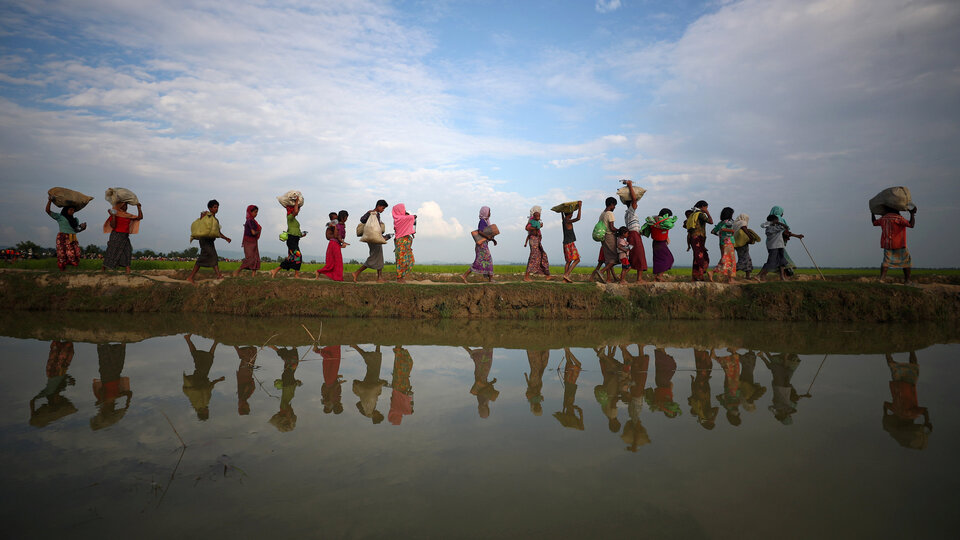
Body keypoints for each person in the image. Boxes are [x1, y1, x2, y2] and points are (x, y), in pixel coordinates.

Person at [882, 351, 932, 450]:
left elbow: (925, 410)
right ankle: (887, 351)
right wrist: (885, 414)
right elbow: (885, 404)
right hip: (898, 386)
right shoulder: (897, 411)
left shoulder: (911, 414)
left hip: (908, 386)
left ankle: (912, 349)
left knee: (913, 367)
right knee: (893, 367)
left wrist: (927, 422)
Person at [30, 341, 78, 428]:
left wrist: (33, 412)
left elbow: (32, 401)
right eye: (59, 399)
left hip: (52, 370)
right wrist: (70, 379)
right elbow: (63, 377)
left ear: (53, 400)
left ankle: (58, 341)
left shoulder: (49, 391)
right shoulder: (60, 389)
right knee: (66, 350)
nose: (59, 398)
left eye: (57, 400)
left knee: (57, 352)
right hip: (60, 368)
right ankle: (61, 341)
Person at [187, 200, 232, 283]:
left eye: (217, 207)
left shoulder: (215, 220)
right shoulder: (206, 216)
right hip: (204, 241)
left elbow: (218, 232)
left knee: (207, 258)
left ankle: (191, 277)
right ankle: (218, 275)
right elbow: (201, 225)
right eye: (215, 207)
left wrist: (226, 238)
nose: (216, 209)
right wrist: (202, 216)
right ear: (210, 208)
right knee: (212, 256)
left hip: (210, 241)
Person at [90, 343, 133, 431]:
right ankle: (112, 345)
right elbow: (129, 393)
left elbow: (129, 394)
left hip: (107, 376)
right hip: (115, 375)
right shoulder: (115, 396)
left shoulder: (103, 398)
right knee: (116, 361)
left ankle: (102, 344)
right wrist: (127, 404)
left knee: (106, 360)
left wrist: (127, 404)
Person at [182, 334, 225, 420]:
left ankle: (215, 342)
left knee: (205, 359)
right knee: (204, 359)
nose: (208, 411)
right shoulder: (202, 404)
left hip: (199, 378)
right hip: (202, 376)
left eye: (207, 413)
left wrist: (217, 381)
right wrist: (218, 380)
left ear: (204, 413)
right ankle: (215, 342)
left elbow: (203, 389)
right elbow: (209, 387)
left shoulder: (199, 403)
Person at [872, 205, 917, 285]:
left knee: (886, 261)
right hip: (899, 243)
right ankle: (907, 281)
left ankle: (882, 279)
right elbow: (911, 225)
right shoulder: (898, 218)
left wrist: (873, 213)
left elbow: (874, 223)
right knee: (906, 261)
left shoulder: (884, 218)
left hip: (887, 244)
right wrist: (912, 214)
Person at [756, 211, 804, 281]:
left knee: (782, 261)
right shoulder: (771, 228)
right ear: (773, 221)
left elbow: (786, 229)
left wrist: (776, 222)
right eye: (776, 220)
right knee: (771, 262)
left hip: (779, 246)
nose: (778, 221)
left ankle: (782, 277)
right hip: (774, 247)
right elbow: (785, 227)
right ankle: (758, 276)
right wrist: (777, 222)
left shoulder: (775, 227)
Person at [352, 200, 392, 282]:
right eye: (383, 208)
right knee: (374, 257)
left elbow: (375, 229)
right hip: (373, 239)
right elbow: (362, 220)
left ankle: (379, 277)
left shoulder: (377, 215)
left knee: (379, 257)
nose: (383, 210)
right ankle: (356, 273)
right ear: (378, 206)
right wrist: (368, 213)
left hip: (375, 238)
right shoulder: (372, 213)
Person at [45, 195, 86, 271]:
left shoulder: (75, 220)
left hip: (72, 238)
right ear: (66, 210)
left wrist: (82, 227)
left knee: (75, 253)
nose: (72, 211)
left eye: (73, 210)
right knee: (62, 254)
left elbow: (76, 230)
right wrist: (50, 201)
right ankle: (62, 270)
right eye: (70, 210)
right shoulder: (60, 217)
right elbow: (48, 211)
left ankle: (70, 268)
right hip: (62, 238)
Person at [102, 201, 143, 274]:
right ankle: (103, 270)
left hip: (125, 236)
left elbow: (140, 217)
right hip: (116, 236)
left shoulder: (127, 215)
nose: (126, 207)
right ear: (120, 206)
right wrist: (113, 215)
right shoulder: (115, 213)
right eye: (124, 205)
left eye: (127, 205)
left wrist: (139, 208)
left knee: (128, 251)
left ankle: (128, 272)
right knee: (111, 252)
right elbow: (113, 226)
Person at [352, 344, 387, 423]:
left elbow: (371, 390)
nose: (379, 412)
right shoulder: (368, 411)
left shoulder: (370, 408)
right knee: (375, 366)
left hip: (369, 385)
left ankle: (355, 346)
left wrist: (382, 383)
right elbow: (358, 403)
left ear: (376, 416)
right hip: (366, 384)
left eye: (379, 414)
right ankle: (378, 344)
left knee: (373, 363)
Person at [270, 203, 306, 278]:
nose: (298, 211)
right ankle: (294, 274)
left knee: (293, 257)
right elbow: (295, 212)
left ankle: (276, 271)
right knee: (298, 255)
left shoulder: (294, 220)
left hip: (295, 240)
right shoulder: (289, 217)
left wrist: (301, 235)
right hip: (291, 240)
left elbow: (296, 233)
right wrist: (296, 201)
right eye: (298, 209)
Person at [461, 206, 496, 283]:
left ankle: (490, 278)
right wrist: (489, 238)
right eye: (489, 212)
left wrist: (492, 239)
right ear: (485, 212)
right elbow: (480, 232)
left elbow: (485, 234)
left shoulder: (486, 222)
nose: (490, 213)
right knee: (485, 260)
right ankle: (465, 275)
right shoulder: (482, 221)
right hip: (481, 246)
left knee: (484, 260)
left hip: (483, 244)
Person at [644, 347, 681, 418]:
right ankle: (660, 347)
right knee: (667, 365)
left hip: (662, 381)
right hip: (663, 381)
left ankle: (660, 347)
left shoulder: (660, 404)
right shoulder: (665, 403)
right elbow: (671, 385)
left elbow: (670, 386)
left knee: (667, 366)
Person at [622, 180, 647, 282]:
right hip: (634, 236)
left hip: (633, 235)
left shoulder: (628, 213)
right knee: (639, 255)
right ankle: (638, 279)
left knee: (634, 255)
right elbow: (634, 199)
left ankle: (625, 278)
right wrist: (630, 185)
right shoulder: (630, 211)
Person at [554, 349, 584, 430]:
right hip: (567, 383)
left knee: (578, 364)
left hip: (571, 385)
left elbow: (581, 411)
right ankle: (566, 348)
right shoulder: (566, 405)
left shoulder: (570, 405)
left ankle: (567, 349)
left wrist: (575, 408)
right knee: (569, 362)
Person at [464, 346, 499, 418]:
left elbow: (483, 389)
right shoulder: (484, 401)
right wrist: (492, 383)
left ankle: (485, 347)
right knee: (478, 360)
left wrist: (491, 385)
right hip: (482, 376)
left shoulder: (482, 401)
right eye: (482, 411)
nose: (480, 410)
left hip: (481, 376)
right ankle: (466, 347)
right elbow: (485, 388)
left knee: (480, 360)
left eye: (481, 411)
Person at [707, 207, 737, 283]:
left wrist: (720, 235)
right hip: (729, 242)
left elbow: (713, 231)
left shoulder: (721, 222)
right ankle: (714, 272)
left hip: (722, 242)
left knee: (725, 259)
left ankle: (730, 278)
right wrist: (732, 231)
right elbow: (725, 230)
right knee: (730, 260)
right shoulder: (729, 222)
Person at [713, 348, 742, 427]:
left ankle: (731, 354)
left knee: (732, 370)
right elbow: (719, 397)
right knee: (731, 370)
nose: (737, 413)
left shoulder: (730, 407)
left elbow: (720, 398)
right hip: (731, 388)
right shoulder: (728, 407)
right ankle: (732, 354)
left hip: (733, 387)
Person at [684, 201, 712, 281]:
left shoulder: (692, 215)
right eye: (706, 207)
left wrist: (689, 244)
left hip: (694, 239)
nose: (706, 209)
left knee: (697, 257)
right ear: (702, 206)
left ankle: (695, 277)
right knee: (701, 257)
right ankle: (699, 276)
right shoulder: (699, 214)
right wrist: (707, 213)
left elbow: (689, 231)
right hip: (698, 238)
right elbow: (711, 222)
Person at [317, 210, 348, 281]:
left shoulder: (340, 225)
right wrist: (342, 242)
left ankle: (336, 277)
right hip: (333, 243)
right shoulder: (332, 226)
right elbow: (334, 236)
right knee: (336, 262)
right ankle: (337, 278)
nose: (335, 220)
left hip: (335, 244)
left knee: (335, 262)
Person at [646, 209, 676, 281]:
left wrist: (666, 238)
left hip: (656, 242)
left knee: (658, 259)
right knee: (669, 259)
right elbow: (660, 227)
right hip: (660, 243)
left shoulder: (654, 219)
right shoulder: (659, 221)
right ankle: (659, 276)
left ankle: (657, 277)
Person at [523, 206, 551, 281]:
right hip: (533, 239)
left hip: (537, 239)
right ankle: (526, 276)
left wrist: (538, 226)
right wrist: (537, 227)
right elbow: (527, 228)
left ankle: (547, 275)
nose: (539, 215)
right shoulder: (531, 220)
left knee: (542, 255)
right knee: (533, 256)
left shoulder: (536, 221)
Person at [388, 346, 414, 425]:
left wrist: (410, 410)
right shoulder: (394, 408)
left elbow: (409, 411)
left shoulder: (397, 409)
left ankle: (399, 349)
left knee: (404, 364)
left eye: (399, 418)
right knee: (401, 365)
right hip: (402, 385)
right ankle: (399, 350)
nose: (401, 417)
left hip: (400, 385)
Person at [595, 197, 619, 283]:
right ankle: (601, 271)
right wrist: (619, 230)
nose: (614, 207)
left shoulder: (602, 214)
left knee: (608, 259)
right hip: (609, 236)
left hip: (603, 237)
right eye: (614, 205)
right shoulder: (610, 213)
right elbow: (612, 228)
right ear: (611, 204)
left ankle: (609, 278)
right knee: (614, 258)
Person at [234, 205, 261, 277]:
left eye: (257, 212)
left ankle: (253, 275)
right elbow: (253, 232)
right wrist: (258, 231)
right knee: (250, 259)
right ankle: (238, 271)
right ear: (250, 212)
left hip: (253, 241)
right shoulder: (250, 221)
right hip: (249, 242)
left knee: (255, 258)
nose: (256, 214)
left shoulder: (253, 221)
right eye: (255, 212)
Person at [392, 203, 417, 283]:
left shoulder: (400, 219)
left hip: (405, 244)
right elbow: (414, 216)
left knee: (409, 261)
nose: (405, 211)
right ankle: (400, 278)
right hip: (401, 242)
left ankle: (401, 277)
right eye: (403, 209)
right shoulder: (399, 219)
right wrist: (409, 217)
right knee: (401, 261)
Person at [318, 345, 344, 415]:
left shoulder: (334, 400)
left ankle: (319, 350)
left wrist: (339, 383)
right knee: (332, 361)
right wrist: (336, 377)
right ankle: (332, 346)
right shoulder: (329, 398)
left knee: (332, 360)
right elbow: (324, 386)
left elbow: (332, 390)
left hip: (330, 381)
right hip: (329, 380)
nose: (342, 405)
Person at [561, 201, 582, 282]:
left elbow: (563, 216)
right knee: (577, 260)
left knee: (568, 261)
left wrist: (562, 212)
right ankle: (566, 275)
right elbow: (578, 218)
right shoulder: (567, 220)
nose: (572, 213)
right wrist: (580, 207)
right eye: (572, 212)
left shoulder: (564, 220)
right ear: (569, 214)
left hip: (565, 243)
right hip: (569, 243)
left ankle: (564, 280)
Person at [235, 345, 258, 415]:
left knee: (248, 358)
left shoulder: (243, 398)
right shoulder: (244, 397)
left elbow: (251, 387)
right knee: (252, 355)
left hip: (244, 374)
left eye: (247, 407)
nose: (248, 405)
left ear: (242, 406)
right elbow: (252, 387)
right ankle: (242, 349)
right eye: (248, 407)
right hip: (246, 374)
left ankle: (237, 348)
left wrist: (251, 384)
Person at [525, 349, 549, 416]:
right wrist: (539, 394)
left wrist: (537, 394)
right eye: (540, 408)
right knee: (542, 365)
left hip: (534, 381)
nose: (539, 407)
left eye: (538, 408)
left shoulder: (530, 399)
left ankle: (535, 350)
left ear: (535, 408)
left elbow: (529, 392)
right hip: (538, 380)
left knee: (536, 366)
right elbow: (537, 391)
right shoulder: (536, 400)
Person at [732, 213, 754, 280]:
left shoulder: (735, 223)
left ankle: (748, 276)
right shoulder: (742, 222)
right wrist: (751, 237)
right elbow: (744, 229)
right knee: (744, 259)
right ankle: (731, 272)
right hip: (742, 243)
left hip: (736, 243)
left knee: (747, 258)